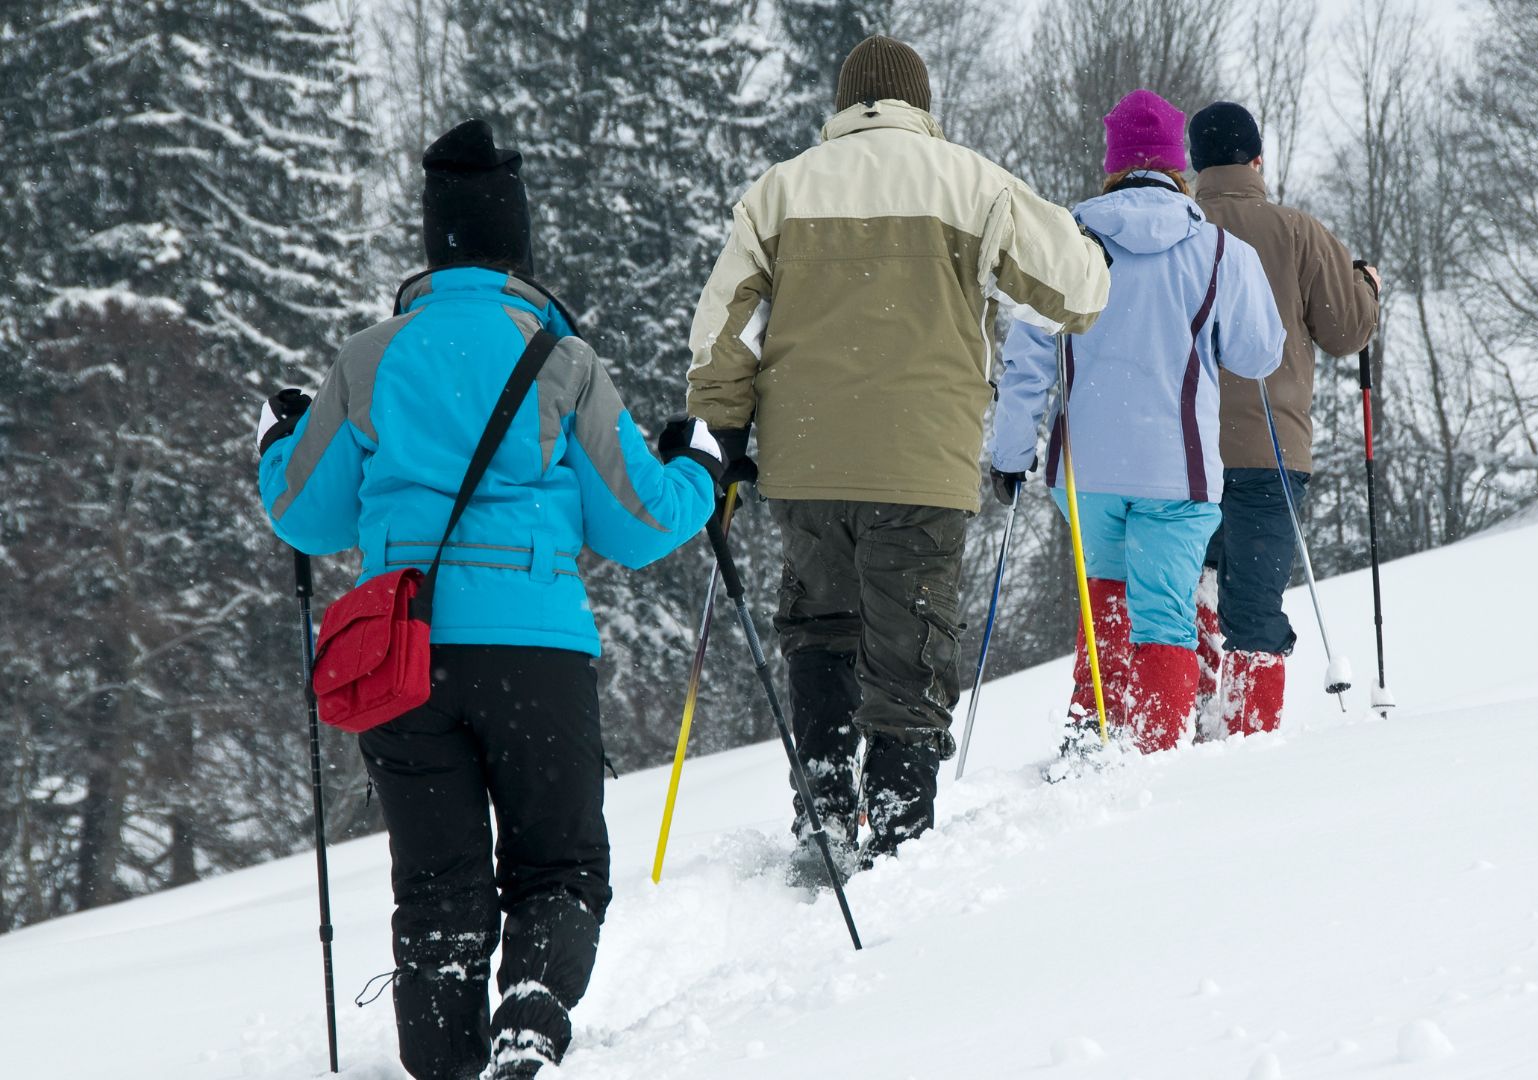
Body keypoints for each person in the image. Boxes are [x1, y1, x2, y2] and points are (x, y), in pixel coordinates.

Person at [256, 119, 720, 1080]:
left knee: (436, 885)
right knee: (556, 867)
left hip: (404, 660)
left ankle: (442, 1064)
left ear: (434, 244)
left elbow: (305, 515)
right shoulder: (561, 360)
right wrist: (701, 469)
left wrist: (276, 440)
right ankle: (531, 1023)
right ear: (519, 241)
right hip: (536, 655)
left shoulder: (368, 358)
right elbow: (640, 526)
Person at [686, 35, 1110, 878]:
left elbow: (721, 334)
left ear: (844, 108)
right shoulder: (971, 183)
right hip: (922, 466)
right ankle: (899, 828)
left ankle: (827, 811)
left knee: (821, 630)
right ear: (921, 105)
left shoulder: (779, 191)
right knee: (910, 648)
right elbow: (1079, 294)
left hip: (805, 464)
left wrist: (721, 436)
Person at [989, 90, 1285, 758]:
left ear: (1112, 163)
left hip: (1087, 470)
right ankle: (1153, 754)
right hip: (1177, 472)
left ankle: (1096, 740)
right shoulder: (1219, 251)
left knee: (1107, 606)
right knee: (1164, 619)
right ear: (1177, 165)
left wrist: (1010, 456)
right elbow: (1259, 353)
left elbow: (1027, 359)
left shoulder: (1067, 242)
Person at [1186, 101, 1380, 735]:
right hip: (1272, 452)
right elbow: (1346, 331)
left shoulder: (1180, 227)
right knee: (1257, 606)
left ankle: (1190, 717)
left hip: (1184, 455)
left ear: (1194, 164)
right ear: (1257, 160)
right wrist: (1367, 287)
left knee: (1191, 591)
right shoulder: (1297, 231)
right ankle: (1246, 738)